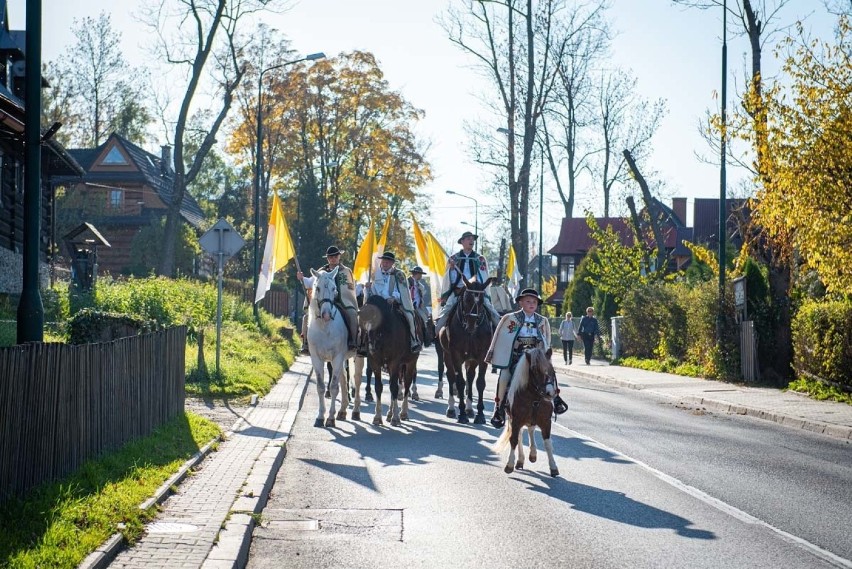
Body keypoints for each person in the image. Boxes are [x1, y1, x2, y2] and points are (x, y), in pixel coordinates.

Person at [485, 288, 566, 428]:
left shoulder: (542, 321)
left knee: (550, 374)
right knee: (504, 376)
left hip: (535, 359)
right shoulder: (510, 319)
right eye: (528, 301)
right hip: (515, 357)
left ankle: (556, 399)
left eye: (534, 302)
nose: (531, 304)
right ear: (520, 303)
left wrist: (545, 357)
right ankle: (498, 408)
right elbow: (502, 337)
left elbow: (546, 341)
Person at [434, 231, 502, 334]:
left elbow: (483, 276)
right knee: (447, 308)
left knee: (489, 307)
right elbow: (449, 279)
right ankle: (434, 333)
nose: (471, 241)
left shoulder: (480, 259)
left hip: (475, 290)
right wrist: (452, 269)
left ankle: (501, 330)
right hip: (459, 290)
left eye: (472, 239)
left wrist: (475, 285)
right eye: (468, 239)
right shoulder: (453, 258)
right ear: (462, 241)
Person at [296, 246, 360, 352]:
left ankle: (353, 341)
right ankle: (306, 344)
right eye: (331, 257)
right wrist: (301, 278)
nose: (333, 259)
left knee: (352, 314)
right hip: (322, 302)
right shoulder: (321, 271)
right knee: (307, 317)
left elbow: (349, 289)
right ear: (327, 258)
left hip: (341, 301)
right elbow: (310, 283)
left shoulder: (346, 271)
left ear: (339, 257)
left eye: (335, 256)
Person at [364, 252, 422, 353]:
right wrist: (367, 288)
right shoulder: (374, 274)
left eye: (388, 261)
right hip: (377, 305)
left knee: (410, 316)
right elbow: (371, 292)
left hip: (393, 303)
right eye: (384, 260)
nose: (385, 263)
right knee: (363, 318)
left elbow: (402, 290)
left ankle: (414, 341)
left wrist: (394, 298)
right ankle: (362, 343)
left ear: (392, 263)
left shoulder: (399, 274)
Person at [408, 266, 432, 346]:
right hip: (409, 306)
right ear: (416, 274)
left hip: (418, 306)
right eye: (420, 274)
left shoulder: (419, 284)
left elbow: (420, 294)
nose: (421, 276)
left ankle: (426, 337)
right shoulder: (407, 282)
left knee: (427, 318)